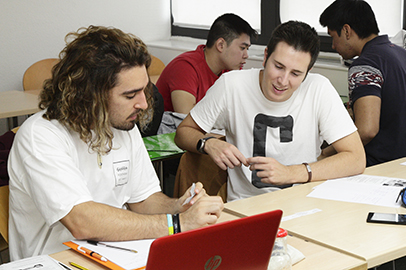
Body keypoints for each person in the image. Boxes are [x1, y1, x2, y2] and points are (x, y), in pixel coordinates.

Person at [7, 26, 224, 260]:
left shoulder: (122, 123)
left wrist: (179, 206)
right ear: (90, 95)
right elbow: (82, 222)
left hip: (113, 255)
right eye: (130, 95)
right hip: (55, 261)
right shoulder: (41, 135)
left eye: (144, 91)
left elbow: (144, 200)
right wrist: (176, 224)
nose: (142, 103)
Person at [175, 21, 366, 202]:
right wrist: (207, 143)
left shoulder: (319, 88)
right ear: (266, 56)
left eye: (295, 73)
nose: (283, 80)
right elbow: (183, 132)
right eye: (278, 67)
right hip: (247, 206)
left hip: (304, 205)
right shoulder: (231, 85)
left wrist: (292, 173)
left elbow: (356, 158)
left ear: (307, 72)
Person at [319, 0, 406, 167]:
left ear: (346, 31)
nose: (333, 45)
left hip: (381, 166)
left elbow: (367, 131)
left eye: (333, 37)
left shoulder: (364, 65)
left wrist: (324, 154)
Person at [155, 13, 257, 134]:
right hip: (169, 142)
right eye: (242, 48)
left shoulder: (230, 70)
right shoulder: (185, 67)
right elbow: (187, 122)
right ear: (221, 45)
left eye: (247, 49)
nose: (246, 55)